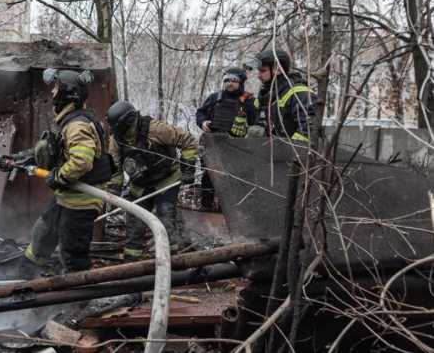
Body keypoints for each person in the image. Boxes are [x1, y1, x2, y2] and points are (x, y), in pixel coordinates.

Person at [0, 68, 112, 277]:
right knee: (42, 234)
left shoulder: (77, 125)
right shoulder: (70, 121)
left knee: (73, 252)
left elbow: (81, 162)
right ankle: (26, 278)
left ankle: (77, 298)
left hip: (82, 201)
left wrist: (58, 177)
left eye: (56, 88)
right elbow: (52, 151)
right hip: (67, 197)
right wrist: (17, 159)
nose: (52, 93)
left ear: (67, 93)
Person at [106, 101, 199, 260]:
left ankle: (174, 258)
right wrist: (113, 192)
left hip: (167, 181)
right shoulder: (116, 139)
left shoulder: (156, 129)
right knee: (134, 223)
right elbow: (115, 168)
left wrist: (188, 169)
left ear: (127, 122)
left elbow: (189, 142)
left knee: (166, 217)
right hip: (140, 186)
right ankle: (132, 261)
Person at [195, 67, 257, 208]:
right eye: (226, 80)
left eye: (233, 80)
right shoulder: (215, 98)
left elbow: (256, 124)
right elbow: (200, 113)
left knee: (234, 179)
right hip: (213, 145)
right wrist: (203, 122)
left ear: (241, 82)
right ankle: (206, 206)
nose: (229, 83)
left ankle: (231, 211)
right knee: (209, 176)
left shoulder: (249, 101)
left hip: (237, 147)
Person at [247, 49, 316, 142]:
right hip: (266, 153)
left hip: (291, 153)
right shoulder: (265, 95)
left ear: (278, 69)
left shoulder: (300, 93)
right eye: (259, 71)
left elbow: (308, 131)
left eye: (263, 71)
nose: (258, 75)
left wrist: (288, 151)